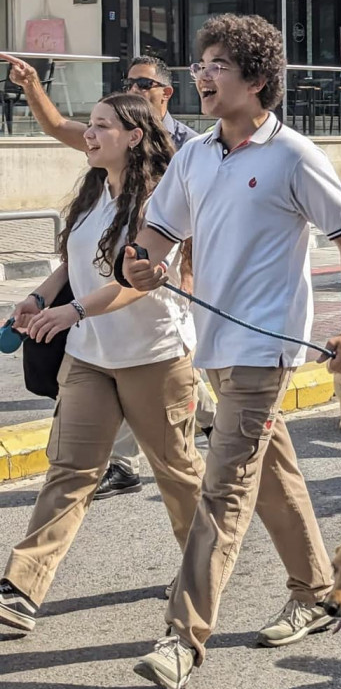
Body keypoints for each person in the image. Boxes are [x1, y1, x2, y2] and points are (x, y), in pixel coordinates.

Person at [121, 14, 341, 689]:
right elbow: (159, 228)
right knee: (276, 474)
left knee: (223, 490)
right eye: (199, 64)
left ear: (257, 80)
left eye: (216, 66)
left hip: (267, 348)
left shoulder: (293, 153)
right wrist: (145, 262)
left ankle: (181, 638)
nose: (201, 76)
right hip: (216, 345)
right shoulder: (197, 154)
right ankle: (318, 591)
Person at [0, 94, 204, 633]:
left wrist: (71, 311)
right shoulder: (95, 191)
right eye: (87, 125)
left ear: (134, 135)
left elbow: (133, 284)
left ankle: (201, 568)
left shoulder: (163, 200)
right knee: (70, 470)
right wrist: (41, 299)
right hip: (91, 356)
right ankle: (21, 587)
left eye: (100, 126)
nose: (87, 135)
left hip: (155, 357)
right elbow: (74, 262)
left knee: (177, 473)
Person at [0, 51, 214, 499]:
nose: (132, 89)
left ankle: (210, 422)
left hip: (153, 315)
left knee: (179, 453)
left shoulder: (187, 150)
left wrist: (188, 279)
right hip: (96, 334)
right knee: (69, 469)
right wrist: (32, 85)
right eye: (128, 82)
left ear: (164, 94)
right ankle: (27, 568)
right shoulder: (104, 165)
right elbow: (58, 127)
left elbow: (186, 232)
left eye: (142, 84)